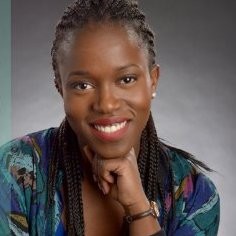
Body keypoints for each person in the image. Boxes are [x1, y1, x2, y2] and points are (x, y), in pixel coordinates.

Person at [0, 0, 220, 235]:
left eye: (126, 79)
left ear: (153, 80)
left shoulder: (193, 195)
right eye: (82, 85)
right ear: (60, 89)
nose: (106, 104)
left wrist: (138, 208)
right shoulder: (15, 172)